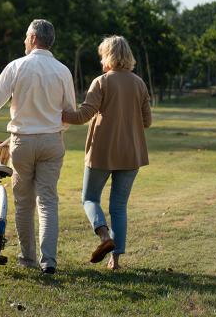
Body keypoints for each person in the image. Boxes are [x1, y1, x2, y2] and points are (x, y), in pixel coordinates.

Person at [0, 19, 76, 275]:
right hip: (52, 142)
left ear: (33, 38)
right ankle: (49, 261)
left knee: (24, 203)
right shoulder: (63, 70)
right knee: (48, 200)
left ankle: (28, 257)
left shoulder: (17, 67)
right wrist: (54, 129)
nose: (24, 41)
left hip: (22, 142)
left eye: (25, 37)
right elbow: (69, 113)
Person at [62, 35, 151, 270]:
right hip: (131, 154)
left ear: (108, 56)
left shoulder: (101, 82)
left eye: (102, 54)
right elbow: (147, 121)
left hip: (102, 152)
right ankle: (115, 260)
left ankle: (104, 238)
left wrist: (58, 113)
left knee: (89, 198)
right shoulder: (140, 83)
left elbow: (82, 116)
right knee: (119, 207)